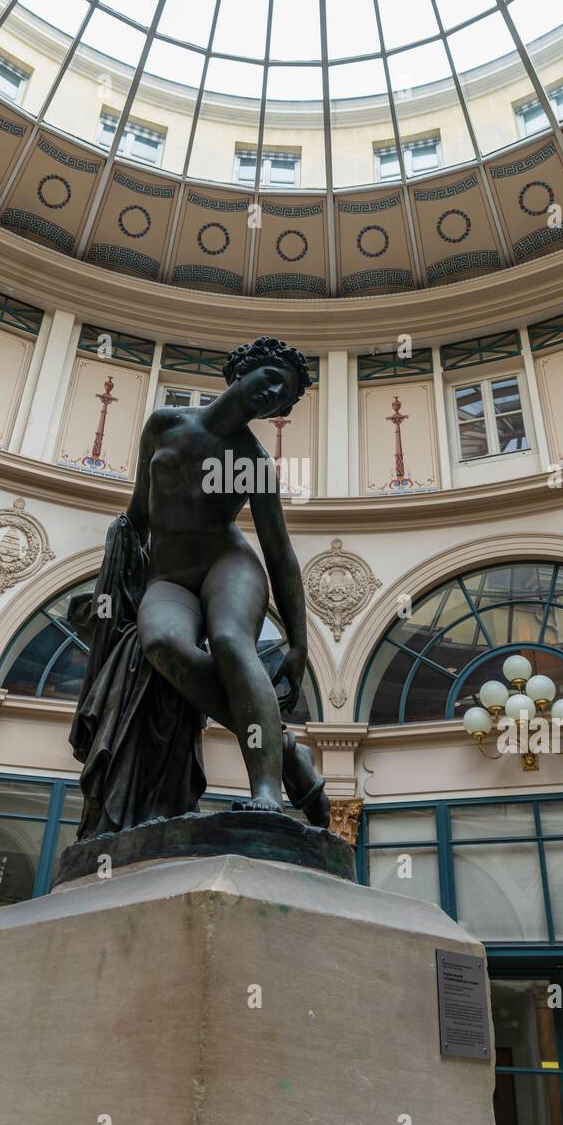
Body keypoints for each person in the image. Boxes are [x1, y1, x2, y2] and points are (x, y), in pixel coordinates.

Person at [69, 335, 329, 837]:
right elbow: (136, 518)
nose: (273, 393)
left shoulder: (254, 463)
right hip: (168, 576)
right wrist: (109, 591)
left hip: (227, 563)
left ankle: (269, 790)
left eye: (284, 395)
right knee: (162, 642)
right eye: (270, 378)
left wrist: (298, 644)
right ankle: (291, 756)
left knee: (232, 642)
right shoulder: (164, 424)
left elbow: (280, 553)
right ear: (241, 372)